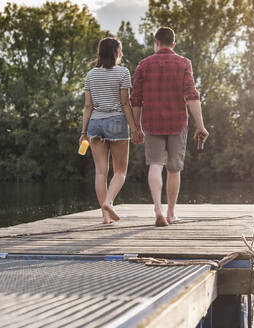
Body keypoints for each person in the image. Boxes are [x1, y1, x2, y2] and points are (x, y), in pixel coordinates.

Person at [131, 27, 209, 226]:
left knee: (155, 165)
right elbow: (192, 96)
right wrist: (201, 126)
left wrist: (136, 128)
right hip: (177, 122)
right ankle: (171, 213)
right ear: (173, 44)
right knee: (174, 168)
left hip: (152, 122)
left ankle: (158, 209)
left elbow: (136, 100)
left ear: (155, 42)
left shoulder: (143, 65)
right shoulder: (184, 63)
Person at [80, 37, 142, 224]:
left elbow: (88, 106)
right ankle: (108, 202)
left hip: (95, 124)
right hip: (116, 122)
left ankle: (105, 217)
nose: (121, 53)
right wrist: (134, 128)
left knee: (100, 172)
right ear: (115, 52)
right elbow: (125, 103)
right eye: (120, 50)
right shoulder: (123, 73)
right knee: (120, 171)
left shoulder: (91, 74)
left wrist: (83, 132)